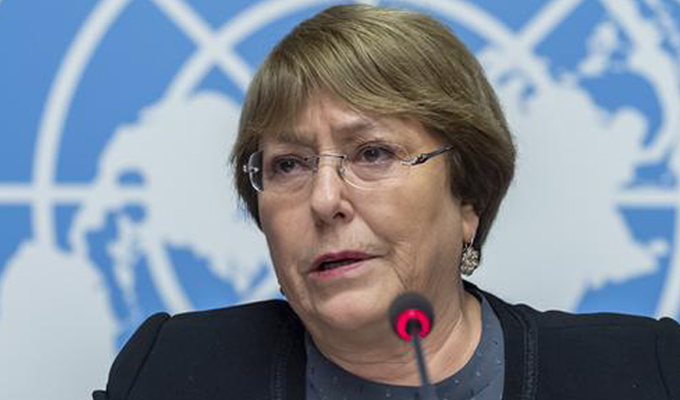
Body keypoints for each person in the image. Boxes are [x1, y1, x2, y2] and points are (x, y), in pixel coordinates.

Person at [93, 5, 680, 400]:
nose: (325, 200)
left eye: (372, 153)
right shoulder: (171, 372)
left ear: (468, 198)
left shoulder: (642, 373)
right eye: (289, 164)